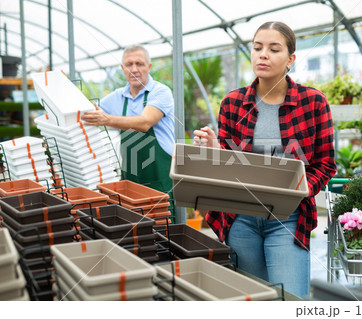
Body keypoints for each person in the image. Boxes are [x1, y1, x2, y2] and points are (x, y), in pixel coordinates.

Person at [193, 21, 336, 298]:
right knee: (252, 299)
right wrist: (215, 150)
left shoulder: (313, 102)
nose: (263, 55)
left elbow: (325, 164)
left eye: (274, 49)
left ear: (290, 59)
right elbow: (227, 165)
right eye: (257, 47)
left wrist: (305, 187)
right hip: (241, 217)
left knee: (291, 298)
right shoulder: (232, 103)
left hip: (288, 217)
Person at [81, 45, 175, 196]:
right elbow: (86, 113)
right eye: (129, 64)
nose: (134, 69)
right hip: (130, 180)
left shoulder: (160, 92)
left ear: (149, 67)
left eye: (139, 64)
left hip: (160, 179)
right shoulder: (117, 97)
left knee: (163, 219)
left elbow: (145, 122)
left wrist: (107, 119)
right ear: (123, 68)